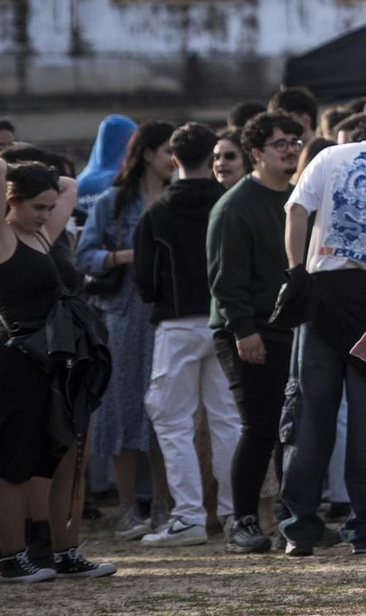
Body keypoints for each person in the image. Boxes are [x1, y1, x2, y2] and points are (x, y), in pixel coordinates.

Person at [279, 94, 366, 556]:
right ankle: (364, 529)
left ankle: (298, 527)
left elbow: (295, 210)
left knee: (310, 417)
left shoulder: (328, 156)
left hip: (320, 292)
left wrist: (296, 270)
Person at [0, 155, 116, 581]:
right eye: (37, 206)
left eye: (49, 207)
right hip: (15, 359)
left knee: (63, 459)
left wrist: (47, 185)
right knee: (13, 463)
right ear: (11, 202)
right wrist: (11, 165)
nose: (47, 215)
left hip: (56, 360)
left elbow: (70, 188)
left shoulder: (41, 234)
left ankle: (65, 550)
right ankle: (12, 556)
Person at [127, 122, 237, 546]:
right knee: (227, 420)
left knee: (172, 422)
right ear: (213, 159)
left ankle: (189, 516)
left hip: (175, 324)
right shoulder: (229, 202)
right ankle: (233, 514)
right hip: (225, 322)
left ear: (173, 160)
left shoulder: (157, 212)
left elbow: (145, 281)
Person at [206, 109, 300, 554]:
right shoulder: (236, 205)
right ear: (257, 153)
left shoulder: (298, 198)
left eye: (295, 142)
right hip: (246, 330)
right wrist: (244, 330)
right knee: (259, 427)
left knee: (291, 428)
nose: (292, 150)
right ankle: (241, 519)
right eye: (281, 144)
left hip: (289, 329)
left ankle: (292, 518)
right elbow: (226, 280)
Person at [77, 119, 175, 540]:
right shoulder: (113, 201)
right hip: (122, 313)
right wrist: (121, 257)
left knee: (165, 411)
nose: (173, 158)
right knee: (122, 409)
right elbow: (84, 255)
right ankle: (127, 507)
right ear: (148, 153)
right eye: (167, 150)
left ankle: (163, 502)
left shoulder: (177, 199)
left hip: (167, 311)